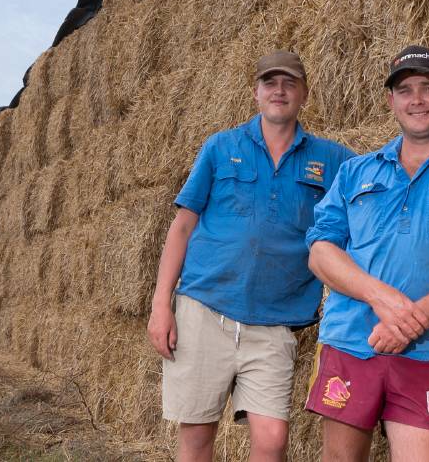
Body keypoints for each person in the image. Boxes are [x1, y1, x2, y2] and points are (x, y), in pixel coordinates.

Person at [147, 50, 356, 462]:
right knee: (196, 435)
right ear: (256, 92)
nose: (279, 90)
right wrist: (160, 306)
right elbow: (183, 226)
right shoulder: (221, 147)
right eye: (270, 83)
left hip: (275, 322)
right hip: (205, 308)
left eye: (289, 83)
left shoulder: (332, 160)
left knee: (273, 438)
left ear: (305, 94)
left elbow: (375, 189)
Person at [304, 45, 429, 462]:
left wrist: (414, 321)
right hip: (350, 342)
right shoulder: (355, 172)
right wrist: (384, 300)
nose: (416, 99)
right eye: (405, 90)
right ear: (391, 101)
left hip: (427, 348)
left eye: (427, 87)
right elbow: (320, 252)